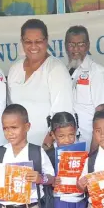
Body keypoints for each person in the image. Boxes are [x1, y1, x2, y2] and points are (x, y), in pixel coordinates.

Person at [8, 19, 74, 148]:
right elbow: (11, 112)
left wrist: (46, 146)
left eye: (38, 41)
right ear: (22, 41)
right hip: (18, 148)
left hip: (46, 148)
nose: (33, 46)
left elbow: (62, 115)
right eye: (28, 42)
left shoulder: (56, 69)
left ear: (46, 40)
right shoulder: (14, 69)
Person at [65, 26, 104, 152]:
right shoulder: (66, 72)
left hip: (90, 146)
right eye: (71, 44)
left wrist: (93, 152)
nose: (75, 49)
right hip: (72, 146)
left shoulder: (97, 73)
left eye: (80, 44)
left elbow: (102, 114)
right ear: (65, 46)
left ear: (87, 45)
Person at [49, 112, 87, 208]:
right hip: (60, 202)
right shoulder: (49, 155)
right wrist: (51, 181)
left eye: (71, 135)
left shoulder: (83, 153)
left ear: (76, 132)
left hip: (79, 200)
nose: (67, 140)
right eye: (61, 136)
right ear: (53, 135)